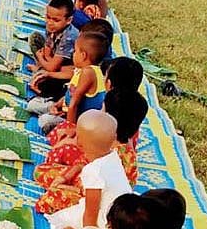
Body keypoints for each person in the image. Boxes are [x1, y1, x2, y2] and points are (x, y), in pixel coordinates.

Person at [34, 55, 147, 214]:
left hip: (95, 200)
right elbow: (83, 163)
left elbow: (92, 192)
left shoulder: (107, 151)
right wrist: (65, 177)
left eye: (102, 110)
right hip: (88, 184)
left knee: (46, 197)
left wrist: (65, 187)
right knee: (45, 171)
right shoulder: (123, 148)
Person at [45, 111, 131, 229]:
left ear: (80, 144)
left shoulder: (93, 170)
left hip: (107, 225)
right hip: (120, 215)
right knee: (73, 212)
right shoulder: (114, 156)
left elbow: (91, 213)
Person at [34, 31, 107, 135]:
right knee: (33, 105)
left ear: (83, 55)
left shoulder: (88, 72)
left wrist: (69, 129)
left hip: (79, 123)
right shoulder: (81, 70)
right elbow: (70, 93)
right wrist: (57, 105)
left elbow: (74, 103)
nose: (73, 54)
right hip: (66, 112)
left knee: (44, 120)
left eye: (75, 51)